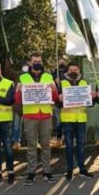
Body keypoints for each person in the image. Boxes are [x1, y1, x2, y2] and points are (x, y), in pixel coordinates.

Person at [14, 51, 59, 185]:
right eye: (35, 61)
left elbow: (55, 98)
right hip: (30, 116)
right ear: (30, 63)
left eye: (39, 61)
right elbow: (17, 100)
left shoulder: (48, 76)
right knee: (31, 146)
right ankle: (31, 172)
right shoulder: (22, 78)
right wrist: (18, 90)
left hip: (45, 115)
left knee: (46, 145)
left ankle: (47, 171)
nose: (37, 63)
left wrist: (54, 89)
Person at [58, 61, 95, 180]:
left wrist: (92, 97)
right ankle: (69, 169)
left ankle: (82, 169)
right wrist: (59, 99)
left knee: (81, 145)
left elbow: (90, 104)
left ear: (79, 71)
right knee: (69, 146)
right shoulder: (62, 83)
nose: (73, 72)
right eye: (71, 70)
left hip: (81, 119)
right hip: (67, 119)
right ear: (67, 71)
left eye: (75, 70)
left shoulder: (84, 83)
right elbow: (57, 103)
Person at [12, 61, 30, 150]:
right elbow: (8, 71)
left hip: (29, 106)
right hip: (18, 105)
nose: (25, 68)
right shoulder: (17, 76)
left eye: (27, 66)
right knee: (16, 125)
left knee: (30, 126)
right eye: (24, 66)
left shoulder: (32, 77)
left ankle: (31, 141)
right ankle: (16, 142)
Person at [51, 57, 67, 148]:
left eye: (63, 62)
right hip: (57, 103)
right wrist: (55, 82)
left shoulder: (67, 73)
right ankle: (59, 139)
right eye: (60, 62)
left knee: (65, 121)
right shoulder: (53, 74)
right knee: (59, 122)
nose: (62, 63)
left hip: (66, 102)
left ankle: (64, 138)